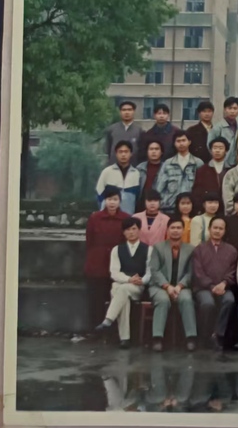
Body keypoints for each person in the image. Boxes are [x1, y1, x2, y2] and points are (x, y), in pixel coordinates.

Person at [94, 217, 152, 348]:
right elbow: (114, 272)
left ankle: (108, 320)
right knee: (121, 292)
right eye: (128, 230)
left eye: (134, 229)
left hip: (138, 287)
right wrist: (128, 279)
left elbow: (150, 273)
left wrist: (141, 280)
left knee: (121, 290)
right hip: (122, 284)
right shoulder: (117, 250)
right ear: (124, 232)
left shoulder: (148, 250)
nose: (131, 232)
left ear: (139, 230)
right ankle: (125, 339)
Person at [147, 217, 197, 352]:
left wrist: (179, 286)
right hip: (159, 286)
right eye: (173, 228)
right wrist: (167, 286)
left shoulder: (191, 249)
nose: (175, 231)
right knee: (163, 300)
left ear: (183, 230)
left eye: (178, 228)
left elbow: (191, 272)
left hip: (182, 286)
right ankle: (157, 337)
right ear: (167, 230)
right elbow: (154, 270)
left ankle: (191, 337)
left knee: (186, 299)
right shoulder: (158, 247)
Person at [84, 187, 129, 329]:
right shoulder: (95, 218)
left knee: (115, 298)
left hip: (117, 264)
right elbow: (89, 240)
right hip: (97, 264)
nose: (112, 203)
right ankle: (94, 329)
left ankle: (113, 330)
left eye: (115, 199)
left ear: (120, 201)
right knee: (96, 299)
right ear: (105, 201)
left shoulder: (126, 218)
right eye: (109, 199)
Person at [191, 217, 238, 350]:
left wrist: (224, 284)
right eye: (215, 228)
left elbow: (232, 271)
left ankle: (217, 334)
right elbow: (198, 272)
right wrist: (211, 286)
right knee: (208, 303)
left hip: (223, 287)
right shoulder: (199, 249)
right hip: (203, 288)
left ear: (225, 231)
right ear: (209, 229)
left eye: (221, 228)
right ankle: (204, 336)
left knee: (229, 300)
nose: (217, 231)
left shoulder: (232, 250)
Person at [155, 131, 204, 215]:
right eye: (178, 141)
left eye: (183, 140)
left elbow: (201, 187)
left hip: (191, 208)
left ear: (189, 142)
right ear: (174, 143)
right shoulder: (168, 163)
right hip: (170, 207)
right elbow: (160, 187)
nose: (181, 143)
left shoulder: (197, 163)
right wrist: (162, 202)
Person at [96, 141, 141, 214]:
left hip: (128, 216)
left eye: (126, 152)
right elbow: (99, 193)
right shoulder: (107, 172)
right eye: (120, 152)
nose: (123, 154)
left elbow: (138, 198)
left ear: (131, 154)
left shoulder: (136, 174)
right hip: (108, 216)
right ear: (116, 154)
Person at [191, 137, 230, 211]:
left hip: (226, 209)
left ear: (226, 151)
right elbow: (197, 191)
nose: (217, 150)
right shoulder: (202, 170)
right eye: (215, 148)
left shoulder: (230, 170)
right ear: (211, 150)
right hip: (207, 208)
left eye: (221, 148)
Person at [207, 96, 238, 167]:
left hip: (235, 164)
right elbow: (209, 145)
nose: (232, 111)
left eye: (235, 108)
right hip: (221, 164)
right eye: (229, 108)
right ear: (225, 109)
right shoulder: (218, 127)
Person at [105, 100, 143, 165]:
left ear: (134, 111)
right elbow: (108, 149)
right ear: (120, 112)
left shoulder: (139, 131)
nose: (126, 112)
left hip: (133, 166)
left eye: (129, 110)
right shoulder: (112, 129)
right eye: (124, 110)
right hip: (114, 165)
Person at [136, 140, 165, 213]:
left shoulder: (167, 168)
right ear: (147, 152)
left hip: (160, 204)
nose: (154, 151)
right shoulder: (140, 168)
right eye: (151, 149)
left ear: (161, 152)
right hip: (141, 203)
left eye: (156, 149)